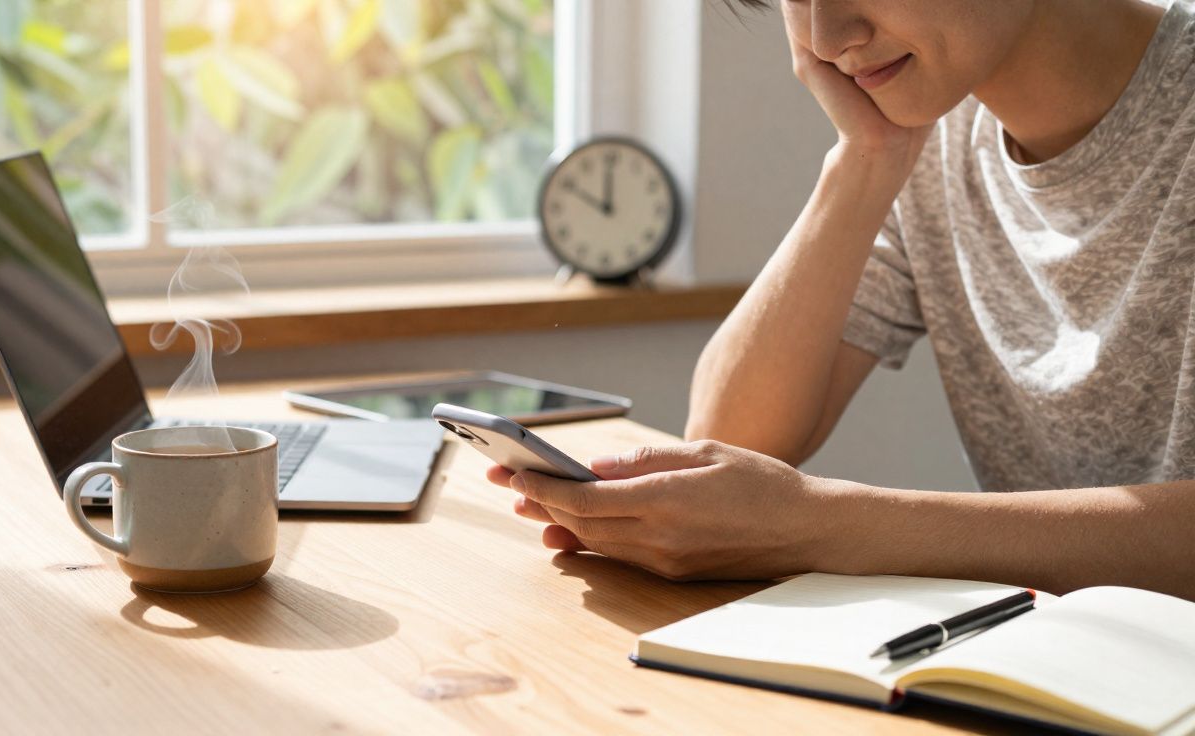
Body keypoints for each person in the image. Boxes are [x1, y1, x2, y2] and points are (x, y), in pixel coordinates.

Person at [487, 0, 1195, 601]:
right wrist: (866, 158)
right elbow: (731, 437)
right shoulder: (937, 137)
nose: (827, 39)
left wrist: (825, 526)